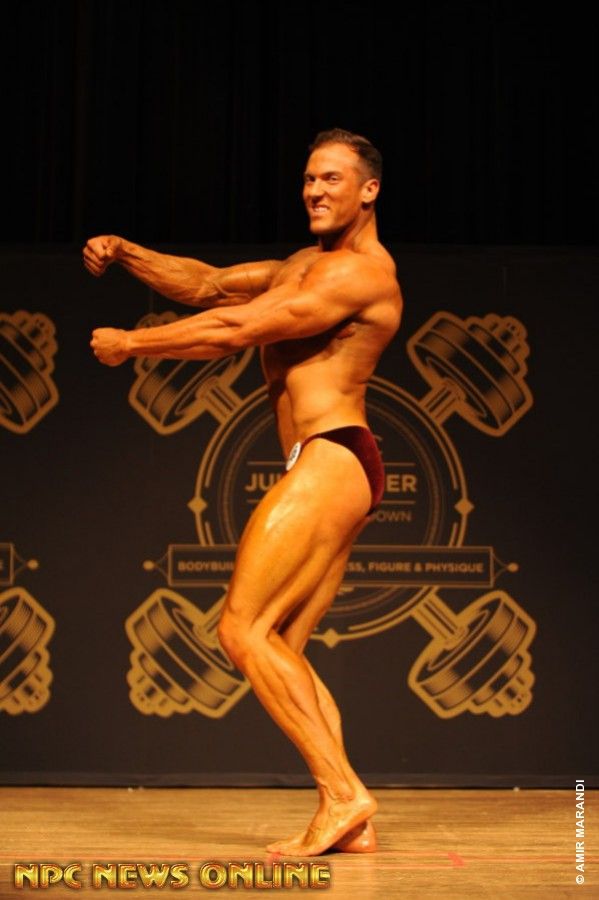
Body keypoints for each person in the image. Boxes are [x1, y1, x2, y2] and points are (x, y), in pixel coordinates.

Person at [84, 128, 403, 856]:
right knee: (283, 644)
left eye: (330, 179)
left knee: (241, 629)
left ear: (369, 190)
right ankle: (354, 819)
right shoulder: (302, 265)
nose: (314, 191)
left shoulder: (360, 276)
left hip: (333, 453)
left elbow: (237, 328)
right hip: (334, 460)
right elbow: (207, 286)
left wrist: (133, 345)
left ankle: (343, 794)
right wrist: (128, 252)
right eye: (309, 179)